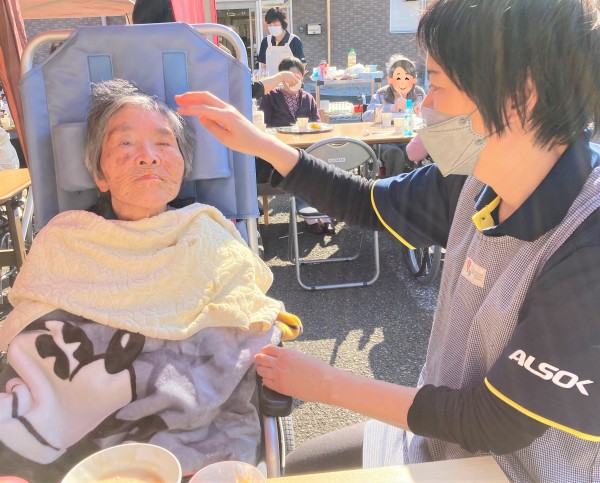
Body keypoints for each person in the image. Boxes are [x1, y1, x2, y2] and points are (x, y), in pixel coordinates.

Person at [176, 0, 600, 480]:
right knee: (300, 466)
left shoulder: (589, 236)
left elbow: (495, 421)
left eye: (437, 82)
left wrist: (324, 382)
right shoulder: (475, 179)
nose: (425, 103)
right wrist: (259, 143)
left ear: (520, 93)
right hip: (437, 438)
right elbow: (366, 203)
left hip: (514, 468)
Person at [0, 79, 301, 481]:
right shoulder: (64, 239)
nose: (148, 157)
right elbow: (31, 339)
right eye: (125, 143)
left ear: (182, 165)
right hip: (70, 446)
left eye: (163, 143)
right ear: (99, 173)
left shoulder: (208, 233)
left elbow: (248, 323)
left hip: (198, 438)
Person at [259, 57, 333, 235]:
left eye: (297, 76)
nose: (293, 81)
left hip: (306, 148)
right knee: (302, 168)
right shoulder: (270, 97)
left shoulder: (307, 98)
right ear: (281, 77)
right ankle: (311, 217)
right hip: (279, 152)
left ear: (303, 76)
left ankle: (324, 214)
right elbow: (263, 125)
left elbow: (317, 124)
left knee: (319, 167)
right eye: (289, 76)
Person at [363, 55, 426, 176]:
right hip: (386, 140)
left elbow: (427, 117)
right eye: (398, 77)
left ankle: (414, 186)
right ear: (390, 79)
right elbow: (366, 116)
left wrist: (420, 113)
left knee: (413, 152)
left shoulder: (419, 93)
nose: (402, 82)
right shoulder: (382, 94)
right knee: (395, 154)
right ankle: (392, 186)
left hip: (409, 138)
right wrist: (391, 108)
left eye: (406, 78)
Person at [257, 8, 305, 76]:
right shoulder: (265, 41)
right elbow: (264, 65)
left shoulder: (294, 41)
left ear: (282, 23)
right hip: (271, 81)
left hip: (289, 81)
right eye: (269, 25)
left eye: (275, 23)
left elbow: (302, 65)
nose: (272, 26)